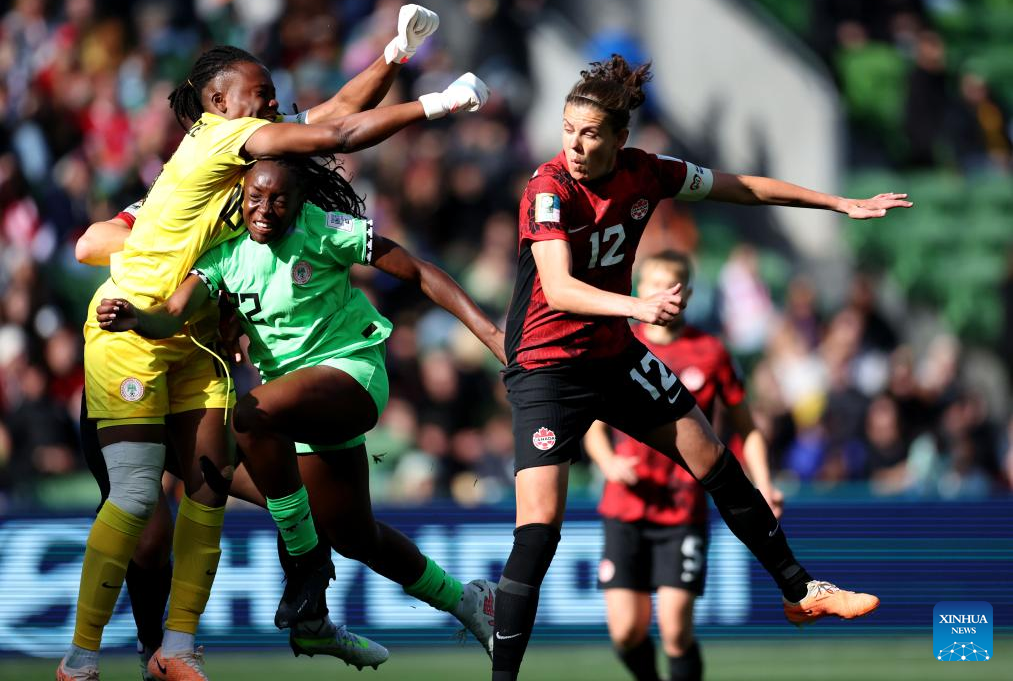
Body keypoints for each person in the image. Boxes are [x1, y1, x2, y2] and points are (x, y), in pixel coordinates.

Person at [60, 4, 490, 681]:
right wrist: (168, 258)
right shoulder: (196, 184)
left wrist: (394, 55)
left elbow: (337, 116)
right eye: (260, 99)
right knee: (149, 527)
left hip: (216, 366)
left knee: (325, 517)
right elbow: (90, 241)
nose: (273, 109)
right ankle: (149, 654)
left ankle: (339, 611)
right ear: (220, 107)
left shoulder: (270, 188)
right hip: (138, 350)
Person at [492, 55, 907, 681]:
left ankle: (800, 592)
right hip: (547, 365)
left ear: (620, 139)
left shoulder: (647, 174)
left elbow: (742, 186)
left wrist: (838, 203)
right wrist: (639, 305)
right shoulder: (548, 188)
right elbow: (558, 288)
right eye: (567, 129)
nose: (575, 145)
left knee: (713, 457)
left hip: (612, 354)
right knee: (540, 528)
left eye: (591, 133)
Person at [95, 155, 504, 663]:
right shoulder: (224, 255)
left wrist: (490, 334)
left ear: (300, 203)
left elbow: (417, 270)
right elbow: (172, 313)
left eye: (278, 199)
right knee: (355, 535)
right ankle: (468, 601)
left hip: (350, 377)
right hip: (293, 410)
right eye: (254, 199)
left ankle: (306, 564)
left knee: (249, 416)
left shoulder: (328, 230)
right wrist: (136, 318)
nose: (264, 210)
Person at [584, 250, 782, 681]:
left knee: (675, 630)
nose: (659, 293)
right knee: (626, 632)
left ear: (686, 294)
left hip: (682, 508)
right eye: (650, 283)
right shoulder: (618, 344)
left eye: (669, 285)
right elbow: (591, 424)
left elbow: (746, 430)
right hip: (625, 505)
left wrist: (764, 485)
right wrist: (608, 463)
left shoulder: (710, 352)